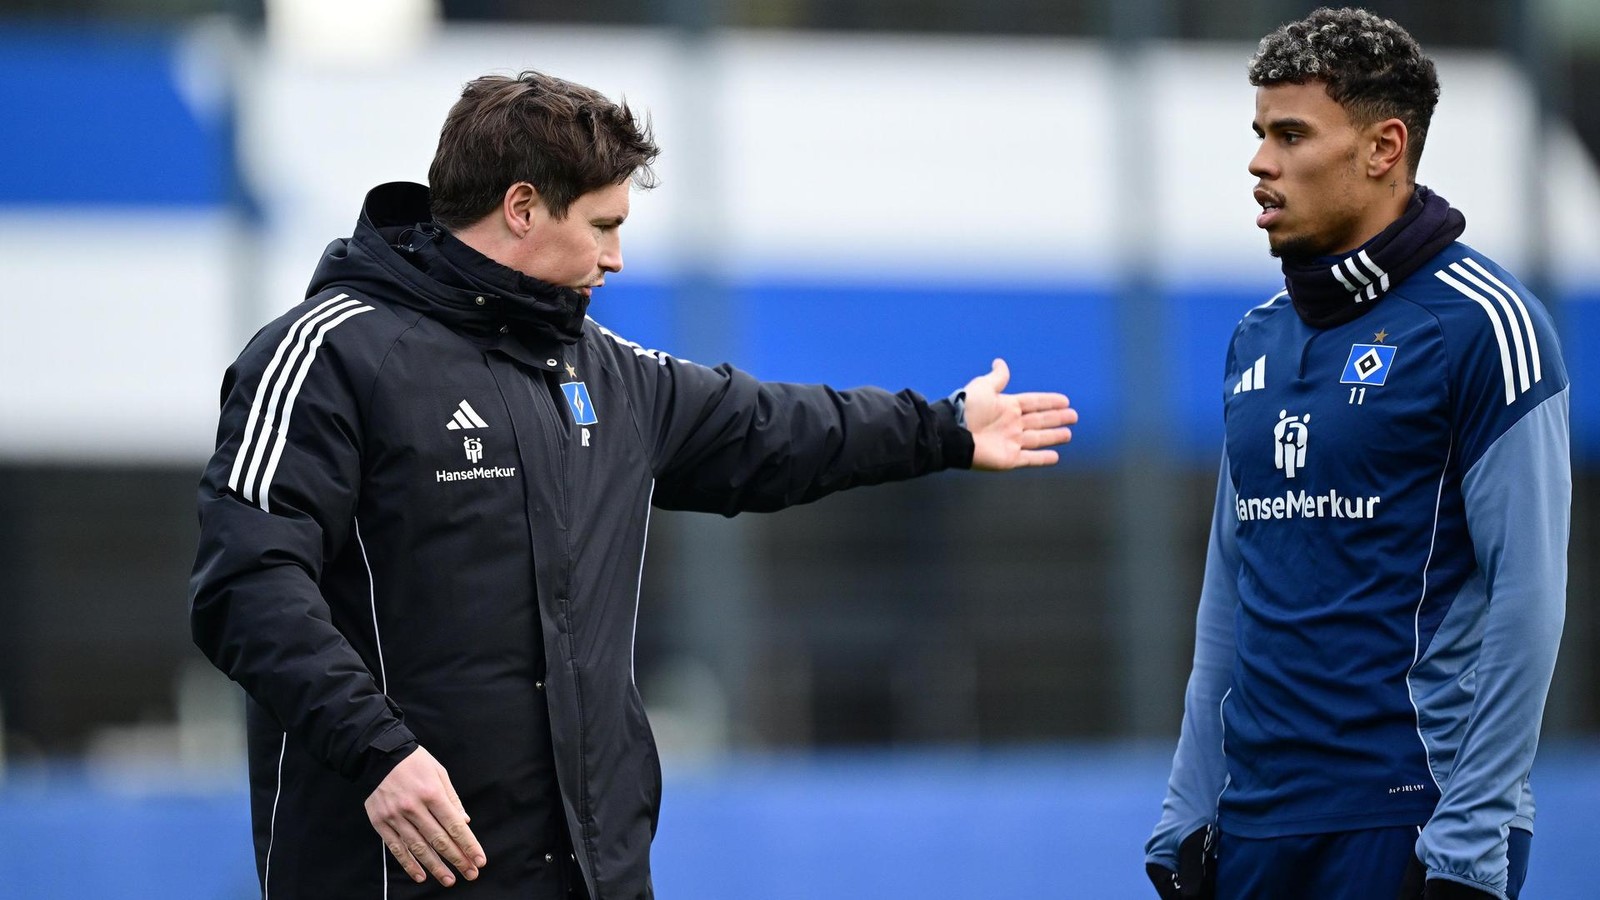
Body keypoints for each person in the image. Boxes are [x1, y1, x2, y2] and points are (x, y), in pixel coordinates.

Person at [189, 71, 1077, 900]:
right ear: (522, 208)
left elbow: (773, 429)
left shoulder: (605, 373)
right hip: (394, 872)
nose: (615, 258)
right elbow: (247, 587)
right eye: (603, 225)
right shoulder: (326, 355)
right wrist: (378, 753)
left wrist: (944, 430)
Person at [1145, 8, 1569, 900]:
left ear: (1384, 147)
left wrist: (1470, 837)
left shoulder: (1485, 326)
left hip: (1412, 819)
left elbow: (1528, 599)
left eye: (1292, 135)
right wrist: (1187, 806)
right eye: (1260, 134)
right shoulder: (1255, 337)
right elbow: (1229, 588)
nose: (1260, 162)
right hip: (1253, 826)